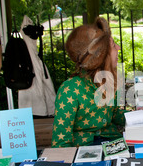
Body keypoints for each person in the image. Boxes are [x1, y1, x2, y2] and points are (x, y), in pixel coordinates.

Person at [51, 17, 126, 147]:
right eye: (113, 45)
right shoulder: (69, 90)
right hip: (84, 152)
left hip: (114, 144)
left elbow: (114, 115)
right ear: (100, 55)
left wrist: (140, 114)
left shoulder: (108, 80)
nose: (118, 48)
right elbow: (61, 144)